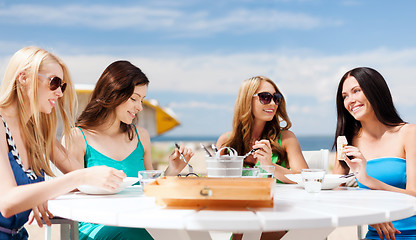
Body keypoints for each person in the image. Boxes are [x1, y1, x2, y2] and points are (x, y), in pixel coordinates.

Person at [0, 46, 126, 240]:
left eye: (62, 86)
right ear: (23, 78)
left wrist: (36, 194)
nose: (59, 93)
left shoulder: (35, 130)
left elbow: (82, 179)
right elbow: (7, 202)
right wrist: (77, 179)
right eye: (54, 82)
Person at [63, 60, 194, 240]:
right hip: (94, 227)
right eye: (134, 98)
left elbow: (150, 190)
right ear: (112, 94)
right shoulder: (77, 137)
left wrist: (173, 170)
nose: (139, 107)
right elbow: (71, 191)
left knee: (184, 232)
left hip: (136, 222)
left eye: (142, 100)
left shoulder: (141, 136)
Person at [216, 76, 308, 240]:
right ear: (247, 100)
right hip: (241, 222)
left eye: (276, 98)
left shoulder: (286, 138)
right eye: (265, 97)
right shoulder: (226, 142)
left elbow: (307, 178)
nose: (273, 104)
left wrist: (269, 166)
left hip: (277, 221)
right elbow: (219, 187)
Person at [332, 67, 416, 240]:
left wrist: (367, 180)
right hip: (375, 235)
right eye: (345, 96)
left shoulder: (409, 134)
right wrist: (371, 212)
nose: (350, 100)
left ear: (375, 91)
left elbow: (414, 196)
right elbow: (334, 192)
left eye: (356, 91)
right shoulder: (348, 141)